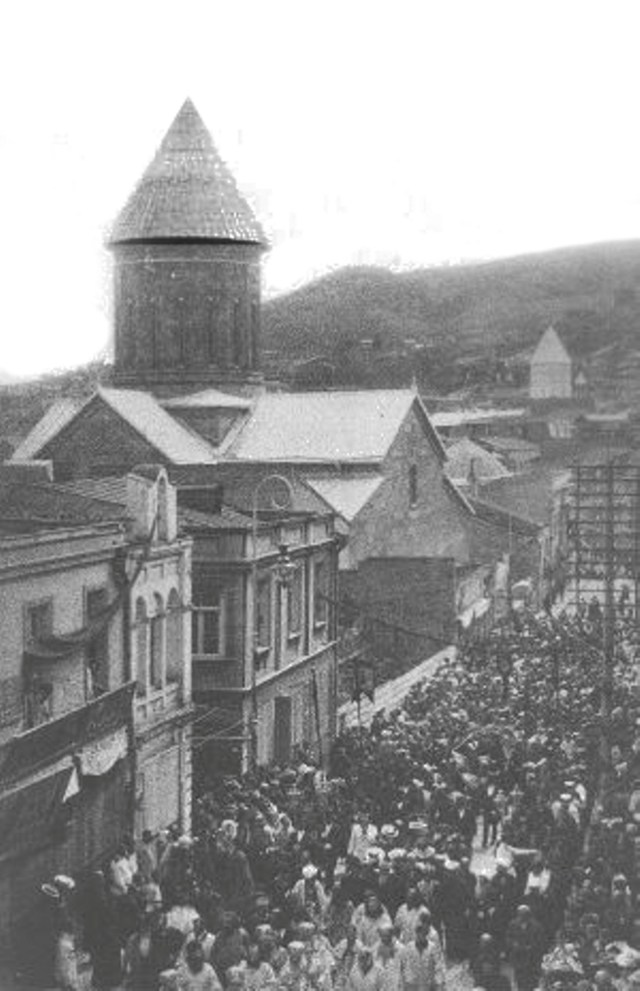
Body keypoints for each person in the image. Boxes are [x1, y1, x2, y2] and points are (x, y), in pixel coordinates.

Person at [399, 923, 445, 991]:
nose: (422, 936)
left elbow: (438, 967)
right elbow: (403, 966)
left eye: (424, 934)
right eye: (419, 933)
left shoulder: (432, 947)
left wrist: (439, 984)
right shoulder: (409, 947)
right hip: (412, 985)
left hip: (427, 985)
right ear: (416, 933)